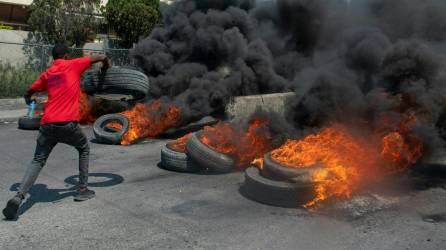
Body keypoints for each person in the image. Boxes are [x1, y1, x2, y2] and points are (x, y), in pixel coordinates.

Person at [2, 44, 110, 220]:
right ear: (66, 55)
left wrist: (29, 99)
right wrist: (107, 67)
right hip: (67, 124)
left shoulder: (48, 73)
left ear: (54, 57)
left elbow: (29, 91)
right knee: (83, 149)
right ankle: (82, 189)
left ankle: (18, 196)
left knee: (38, 160)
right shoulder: (73, 64)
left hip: (47, 125)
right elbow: (100, 56)